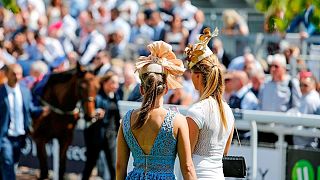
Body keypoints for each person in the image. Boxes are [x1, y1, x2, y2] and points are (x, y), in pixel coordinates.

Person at [116, 41, 197, 179]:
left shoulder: (127, 119)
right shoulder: (177, 121)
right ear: (165, 89)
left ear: (141, 89)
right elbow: (187, 168)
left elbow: (120, 166)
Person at [184, 27, 235, 179]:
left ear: (198, 76)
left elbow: (187, 160)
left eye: (192, 72)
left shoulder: (196, 111)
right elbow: (225, 152)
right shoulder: (227, 110)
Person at [0, 64, 46, 180]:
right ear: (7, 75)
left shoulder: (25, 91)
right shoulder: (1, 92)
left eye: (19, 74)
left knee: (11, 163)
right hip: (5, 137)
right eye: (14, 74)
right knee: (8, 162)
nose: (17, 77)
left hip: (20, 137)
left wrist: (43, 110)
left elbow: (30, 109)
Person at [82, 72, 121, 180]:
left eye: (117, 83)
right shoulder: (96, 97)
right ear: (104, 83)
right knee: (90, 165)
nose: (116, 85)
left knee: (114, 166)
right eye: (113, 82)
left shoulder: (116, 96)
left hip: (111, 137)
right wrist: (94, 113)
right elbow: (86, 115)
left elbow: (117, 117)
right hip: (95, 136)